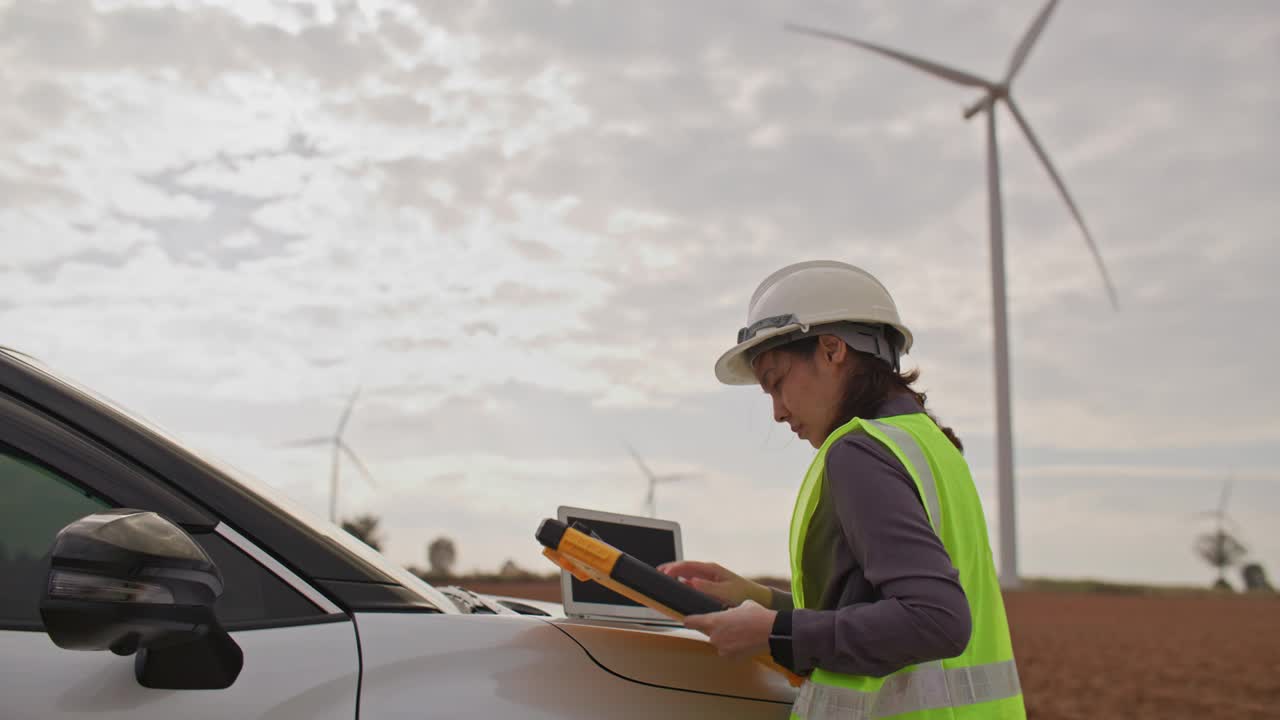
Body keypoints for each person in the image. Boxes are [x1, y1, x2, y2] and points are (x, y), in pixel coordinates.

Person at [660, 261, 1025, 719]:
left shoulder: (860, 451)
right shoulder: (931, 445)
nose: (776, 411)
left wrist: (774, 631)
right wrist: (757, 599)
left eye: (777, 383)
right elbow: (874, 607)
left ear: (832, 350)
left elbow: (934, 620)